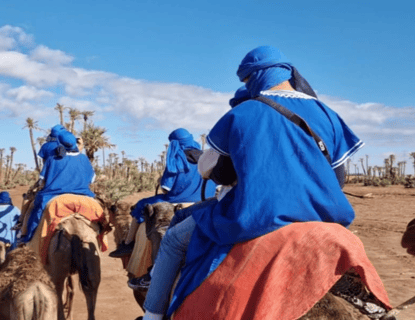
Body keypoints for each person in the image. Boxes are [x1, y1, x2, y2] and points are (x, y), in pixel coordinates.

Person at [137, 46, 364, 320]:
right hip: (323, 215)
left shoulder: (242, 114)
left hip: (255, 214)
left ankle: (152, 314)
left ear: (255, 77)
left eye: (245, 80)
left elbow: (218, 172)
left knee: (173, 239)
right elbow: (338, 178)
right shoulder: (327, 113)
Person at [110, 128, 217, 258]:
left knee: (140, 205)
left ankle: (128, 243)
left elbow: (166, 188)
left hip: (177, 200)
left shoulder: (176, 160)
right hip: (205, 201)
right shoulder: (206, 158)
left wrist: (161, 180)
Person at [19, 130, 96, 243]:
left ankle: (27, 238)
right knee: (100, 215)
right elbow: (92, 179)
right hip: (84, 195)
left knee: (36, 212)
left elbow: (42, 182)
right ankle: (101, 238)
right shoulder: (84, 158)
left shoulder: (52, 159)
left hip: (52, 195)